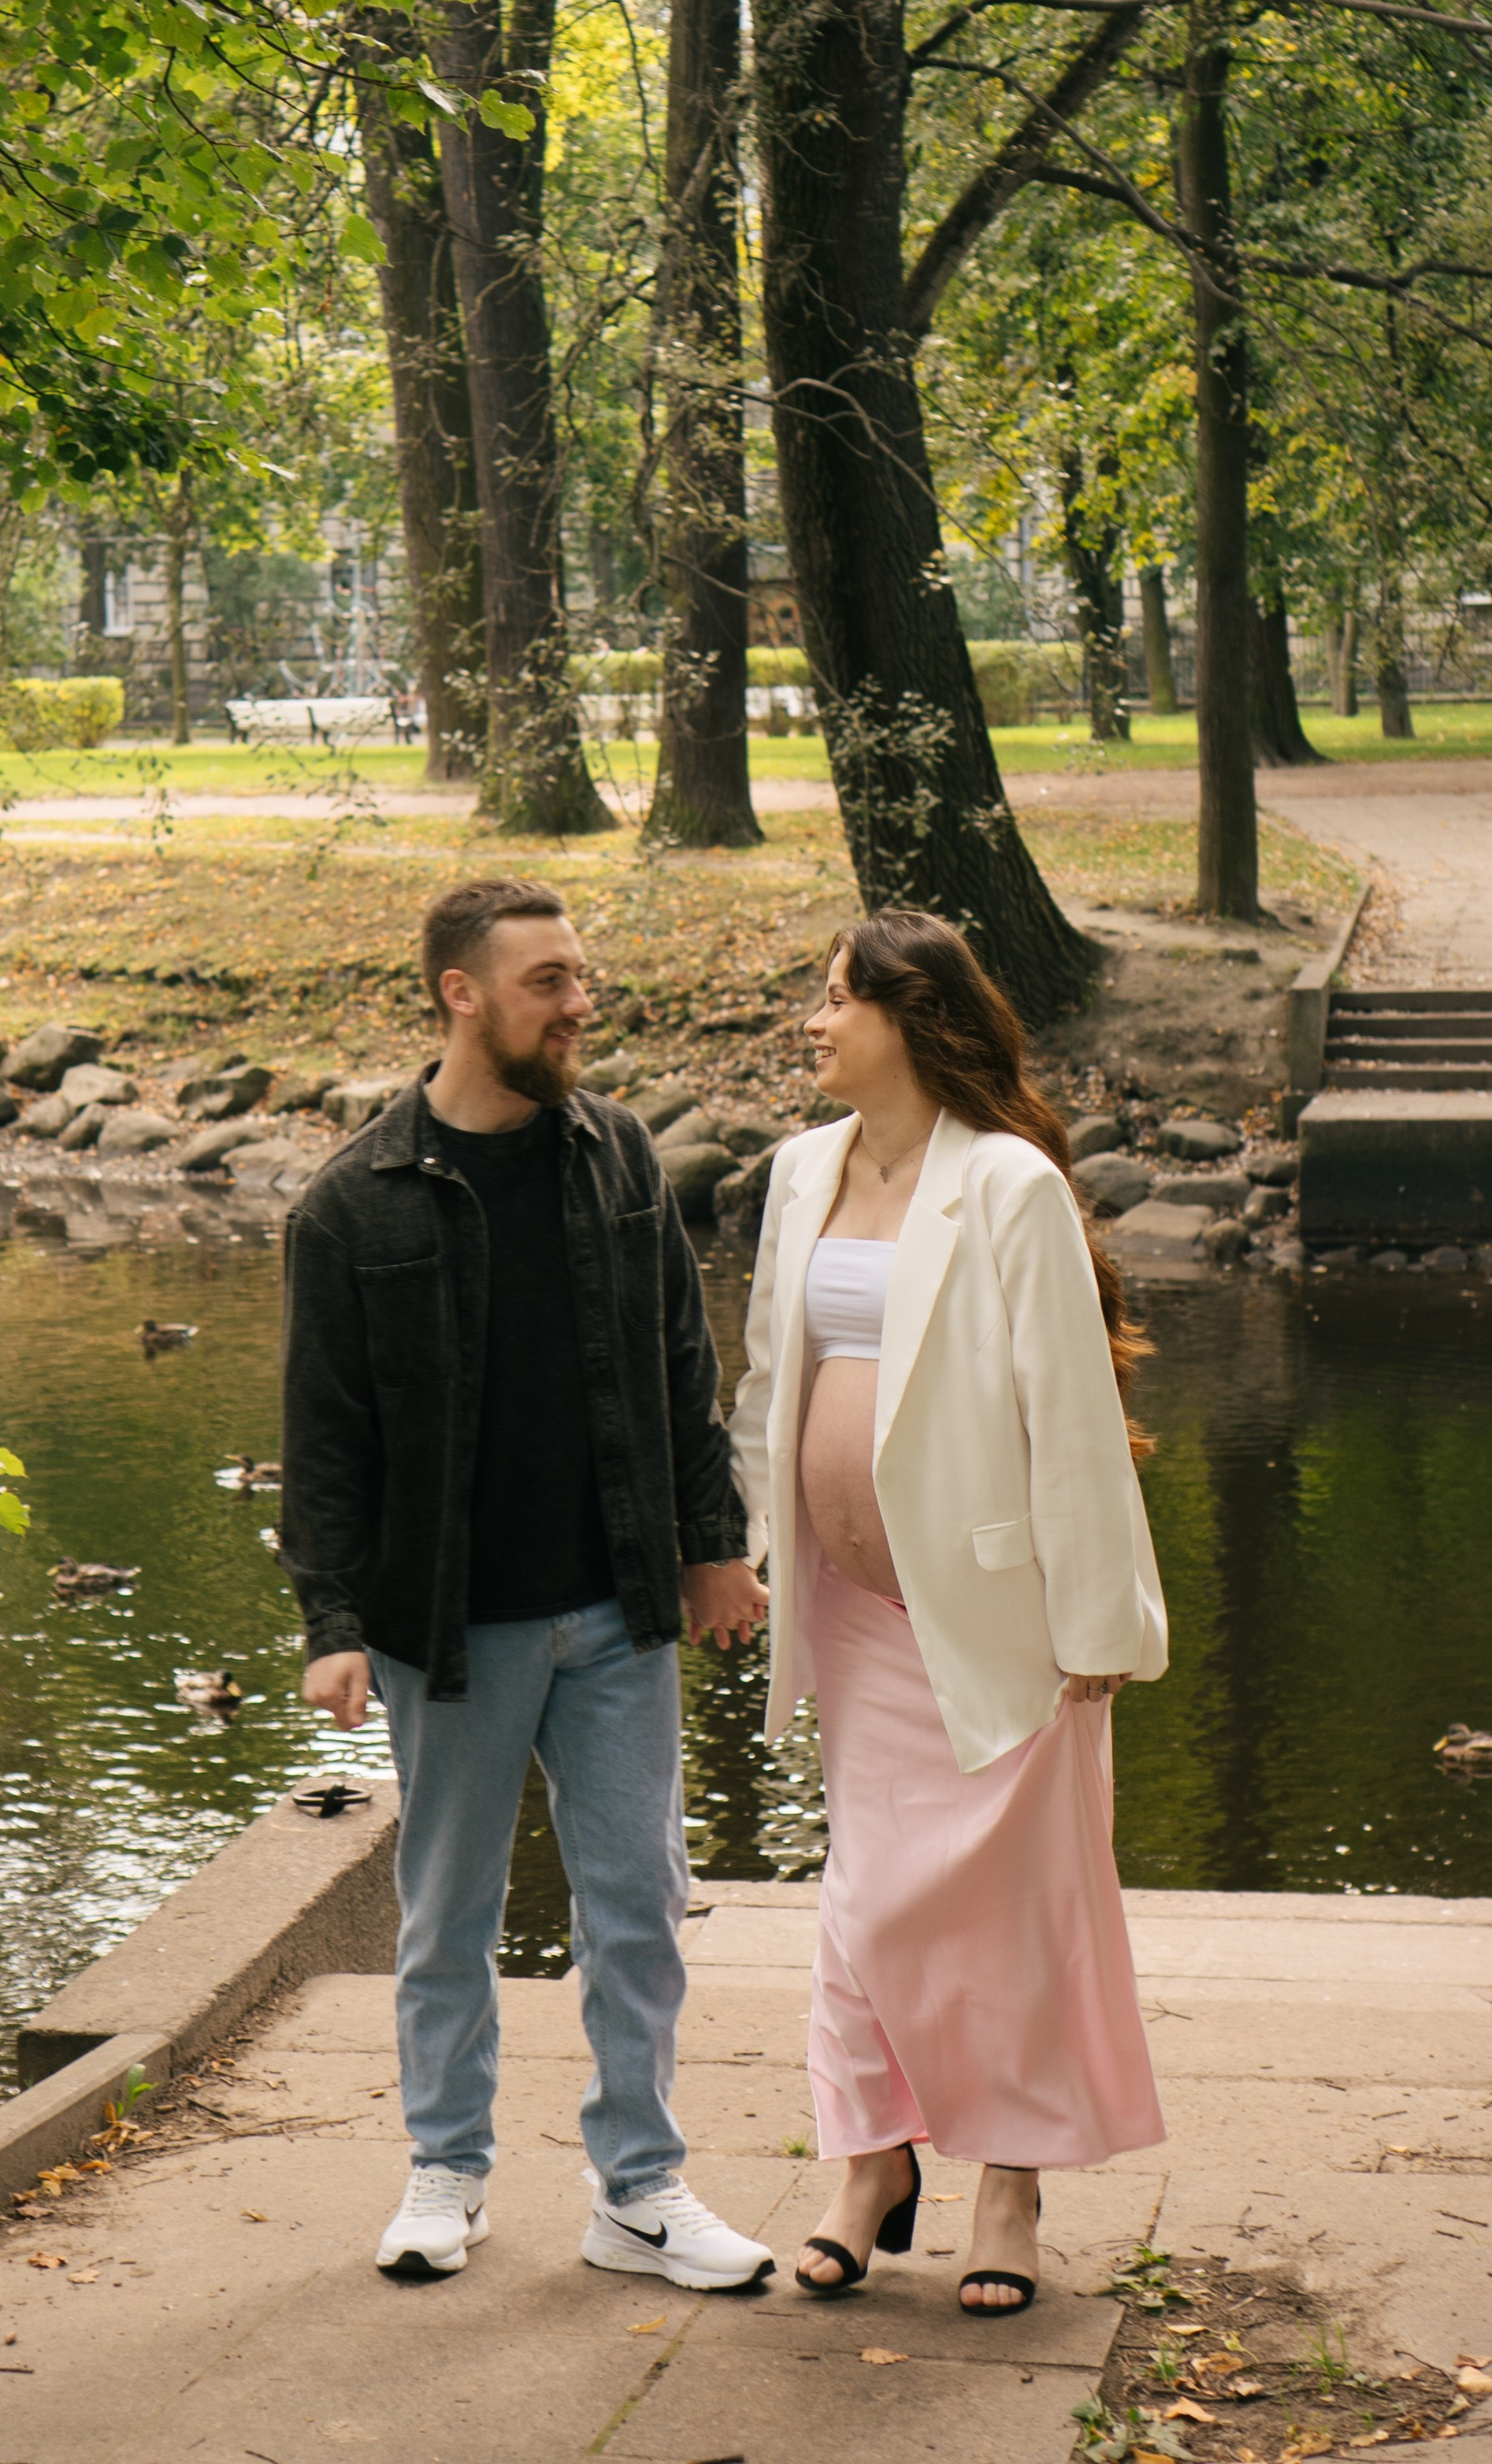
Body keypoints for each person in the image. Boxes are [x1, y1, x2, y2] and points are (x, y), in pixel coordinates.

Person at [279, 876, 774, 2291]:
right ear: (463, 993)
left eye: (578, 976)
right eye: (549, 980)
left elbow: (682, 1365)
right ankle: (447, 2169)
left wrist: (712, 1543)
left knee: (641, 1904)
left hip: (621, 1608)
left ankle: (641, 2190)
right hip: (457, 1628)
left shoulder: (614, 1153)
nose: (579, 1002)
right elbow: (326, 1438)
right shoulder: (352, 1204)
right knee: (446, 1915)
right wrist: (332, 1626)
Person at [730, 909, 1167, 2314]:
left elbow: (1074, 1417)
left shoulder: (1010, 1186)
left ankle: (1010, 2186)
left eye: (837, 997)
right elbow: (763, 1388)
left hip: (994, 1616)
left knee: (1017, 1910)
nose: (814, 1018)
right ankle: (870, 2160)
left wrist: (1098, 1629)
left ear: (912, 1020)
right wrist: (747, 1557)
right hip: (849, 1610)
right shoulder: (801, 1172)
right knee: (865, 1895)